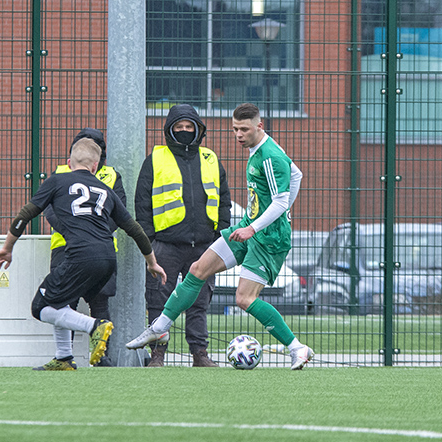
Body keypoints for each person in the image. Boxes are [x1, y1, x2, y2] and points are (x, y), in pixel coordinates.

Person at [127, 103, 314, 370]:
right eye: (235, 129)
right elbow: (297, 174)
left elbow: (280, 202)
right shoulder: (258, 149)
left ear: (259, 126)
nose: (238, 135)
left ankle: (297, 348)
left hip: (268, 239)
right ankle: (159, 327)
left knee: (244, 299)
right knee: (198, 269)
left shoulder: (270, 156)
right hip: (248, 227)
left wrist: (256, 227)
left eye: (244, 129)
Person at [0, 138, 166, 370]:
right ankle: (64, 358)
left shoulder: (58, 180)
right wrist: (152, 263)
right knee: (59, 300)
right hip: (107, 259)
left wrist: (8, 247)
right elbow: (134, 229)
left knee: (40, 306)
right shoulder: (106, 190)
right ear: (95, 166)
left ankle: (95, 326)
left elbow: (26, 214)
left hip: (79, 256)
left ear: (69, 162)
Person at [134, 104, 232, 367]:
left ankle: (199, 354)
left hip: (204, 245)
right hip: (165, 245)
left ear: (199, 130)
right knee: (158, 300)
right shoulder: (155, 159)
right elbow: (142, 204)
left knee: (199, 302)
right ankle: (157, 355)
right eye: (180, 128)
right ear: (170, 130)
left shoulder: (211, 159)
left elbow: (224, 201)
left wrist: (219, 238)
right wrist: (150, 242)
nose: (185, 131)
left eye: (190, 127)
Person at [38, 128, 127, 369]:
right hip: (65, 248)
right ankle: (64, 356)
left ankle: (101, 356)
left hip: (100, 247)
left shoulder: (111, 175)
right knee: (64, 301)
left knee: (100, 302)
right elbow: (49, 210)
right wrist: (74, 231)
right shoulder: (59, 174)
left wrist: (92, 233)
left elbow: (119, 214)